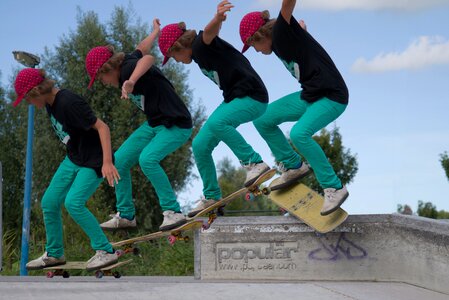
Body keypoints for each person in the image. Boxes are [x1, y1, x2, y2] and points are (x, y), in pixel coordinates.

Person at [158, 0, 270, 218]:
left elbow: (208, 34)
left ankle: (254, 163)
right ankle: (212, 196)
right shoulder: (199, 57)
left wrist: (217, 19)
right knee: (200, 145)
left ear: (178, 47)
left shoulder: (200, 46)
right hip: (234, 100)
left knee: (219, 123)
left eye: (174, 57)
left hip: (252, 96)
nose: (178, 62)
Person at [239, 0, 349, 215]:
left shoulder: (281, 30)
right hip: (310, 95)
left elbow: (287, 5)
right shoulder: (286, 38)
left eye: (253, 46)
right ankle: (292, 165)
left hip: (331, 96)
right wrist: (302, 33)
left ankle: (334, 187)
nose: (256, 51)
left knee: (300, 134)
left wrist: (294, 29)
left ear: (259, 36)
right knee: (262, 118)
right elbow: (303, 45)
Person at [85, 19, 193, 231]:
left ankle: (173, 211)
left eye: (101, 78)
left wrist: (132, 81)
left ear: (108, 68)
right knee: (119, 161)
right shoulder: (128, 59)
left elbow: (149, 59)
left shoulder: (127, 70)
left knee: (148, 159)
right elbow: (143, 49)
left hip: (176, 124)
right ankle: (126, 214)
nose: (103, 82)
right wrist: (155, 32)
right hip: (155, 124)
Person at [13, 68, 121, 271]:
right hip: (74, 157)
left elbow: (102, 127)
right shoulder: (49, 102)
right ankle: (55, 253)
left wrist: (107, 162)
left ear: (36, 91)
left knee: (74, 203)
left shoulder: (68, 103)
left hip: (94, 160)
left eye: (28, 99)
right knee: (49, 201)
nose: (29, 103)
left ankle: (105, 250)